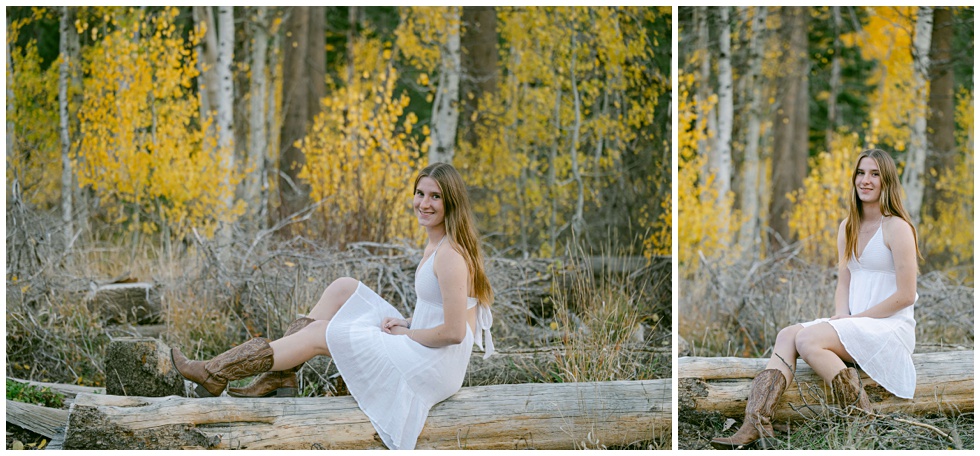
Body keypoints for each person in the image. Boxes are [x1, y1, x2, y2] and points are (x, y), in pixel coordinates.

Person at [171, 162, 495, 450]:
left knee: (321, 335)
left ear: (451, 202)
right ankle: (282, 375)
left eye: (435, 196)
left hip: (433, 366)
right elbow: (439, 308)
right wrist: (408, 323)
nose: (424, 204)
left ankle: (216, 371)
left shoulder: (450, 255)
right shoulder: (437, 243)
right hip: (423, 344)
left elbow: (454, 332)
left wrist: (405, 336)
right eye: (420, 193)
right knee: (344, 288)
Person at [711, 149, 920, 450]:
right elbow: (844, 280)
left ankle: (863, 416)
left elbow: (905, 295)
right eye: (861, 173)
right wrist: (840, 318)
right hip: (855, 323)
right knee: (787, 335)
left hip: (889, 328)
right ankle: (756, 422)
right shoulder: (847, 226)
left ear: (887, 181)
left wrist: (852, 322)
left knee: (807, 340)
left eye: (875, 174)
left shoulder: (897, 227)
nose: (866, 180)